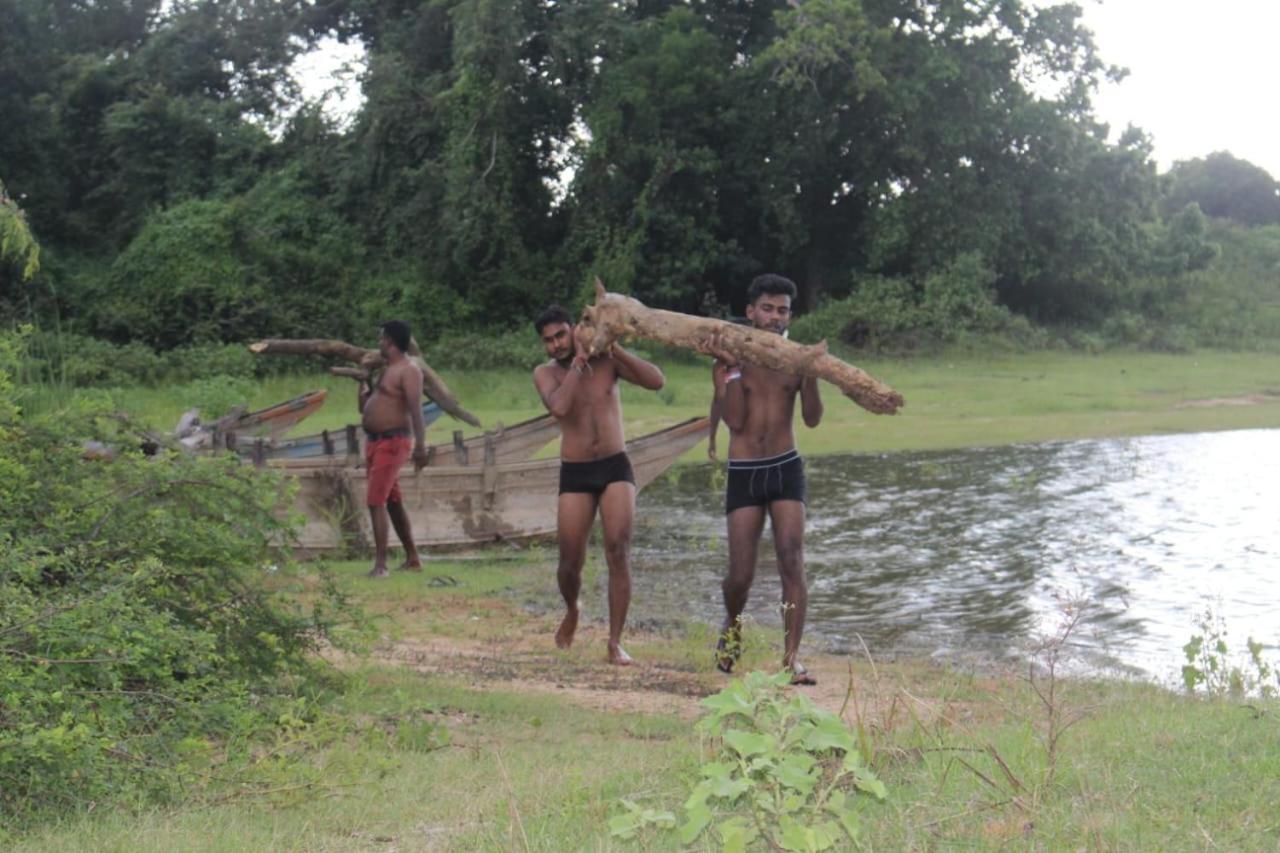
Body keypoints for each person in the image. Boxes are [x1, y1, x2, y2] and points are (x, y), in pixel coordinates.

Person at [532, 305, 666, 665]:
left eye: (561, 335)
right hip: (576, 472)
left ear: (575, 330)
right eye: (549, 340)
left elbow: (656, 381)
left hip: (614, 466)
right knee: (568, 562)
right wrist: (577, 362)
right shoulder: (545, 373)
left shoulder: (608, 362)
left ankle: (614, 641)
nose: (556, 344)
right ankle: (573, 608)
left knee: (617, 549)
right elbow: (559, 408)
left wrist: (612, 348)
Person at [708, 274, 823, 685]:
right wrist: (734, 373)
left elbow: (811, 418)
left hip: (785, 467)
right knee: (740, 576)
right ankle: (732, 625)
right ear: (750, 312)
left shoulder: (796, 356)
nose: (775, 317)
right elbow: (735, 422)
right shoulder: (727, 358)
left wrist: (810, 374)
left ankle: (791, 658)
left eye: (783, 310)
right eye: (768, 309)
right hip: (745, 472)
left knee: (792, 559)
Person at [359, 320, 431, 578]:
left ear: (389, 340)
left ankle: (380, 565)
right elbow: (363, 406)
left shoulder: (409, 370)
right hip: (375, 441)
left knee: (375, 500)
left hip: (393, 442)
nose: (378, 343)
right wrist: (364, 378)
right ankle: (412, 558)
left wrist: (421, 446)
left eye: (381, 338)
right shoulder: (386, 370)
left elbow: (415, 409)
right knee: (392, 501)